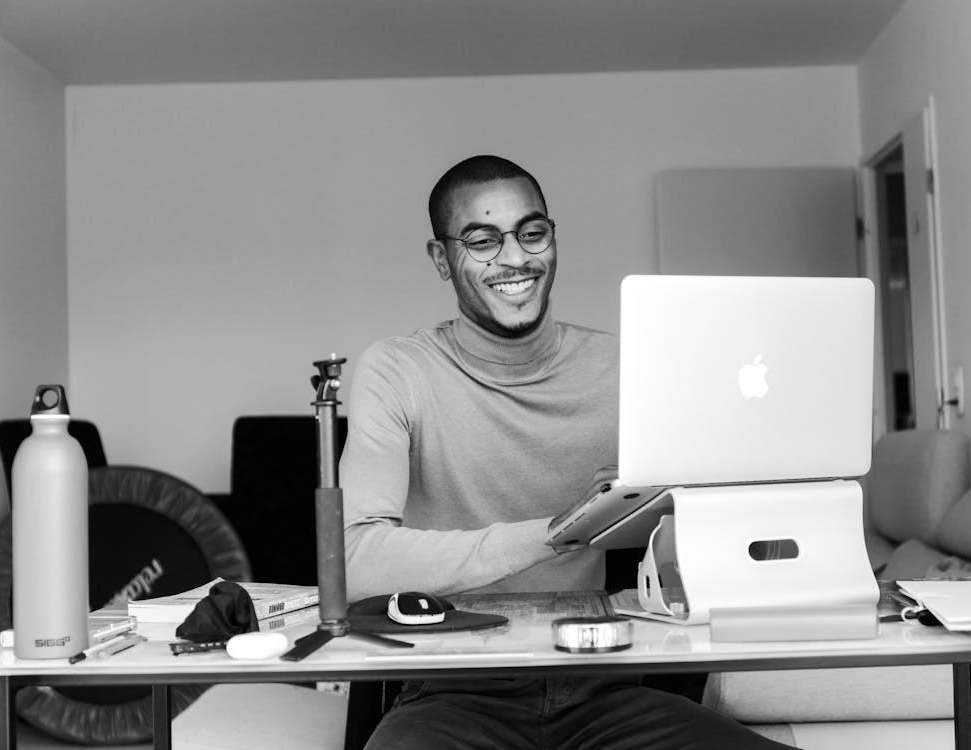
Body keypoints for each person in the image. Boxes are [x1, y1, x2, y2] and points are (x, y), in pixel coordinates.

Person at [338, 154, 790, 749]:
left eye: (532, 233)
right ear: (440, 260)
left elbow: (707, 524)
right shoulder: (397, 371)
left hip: (605, 682)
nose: (515, 258)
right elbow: (357, 561)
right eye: (481, 241)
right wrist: (558, 533)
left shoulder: (625, 367)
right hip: (453, 689)